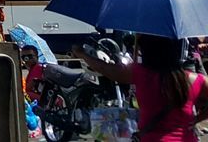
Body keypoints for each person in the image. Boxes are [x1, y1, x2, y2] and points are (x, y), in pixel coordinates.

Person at [73, 35, 207, 141]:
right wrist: (197, 119)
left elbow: (106, 68)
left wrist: (83, 54)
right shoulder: (196, 80)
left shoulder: (140, 74)